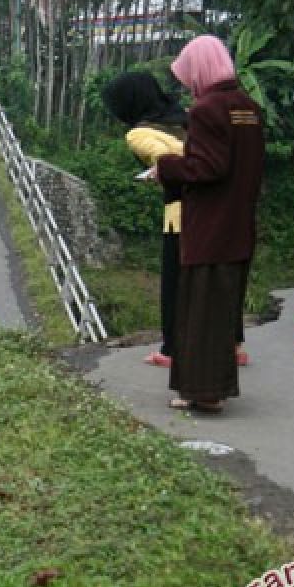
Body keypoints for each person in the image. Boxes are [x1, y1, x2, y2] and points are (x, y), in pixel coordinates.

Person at [156, 34, 265, 413]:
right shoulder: (248, 108)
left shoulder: (207, 110)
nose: (188, 86)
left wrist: (165, 168)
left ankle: (201, 391)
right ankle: (213, 388)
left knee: (199, 310)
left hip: (210, 226)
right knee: (222, 312)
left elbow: (207, 167)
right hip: (239, 222)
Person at [101, 72, 188, 368]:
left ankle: (173, 349)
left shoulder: (138, 133)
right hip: (218, 209)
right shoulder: (186, 116)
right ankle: (229, 343)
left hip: (181, 212)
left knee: (175, 283)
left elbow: (169, 159)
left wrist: (160, 170)